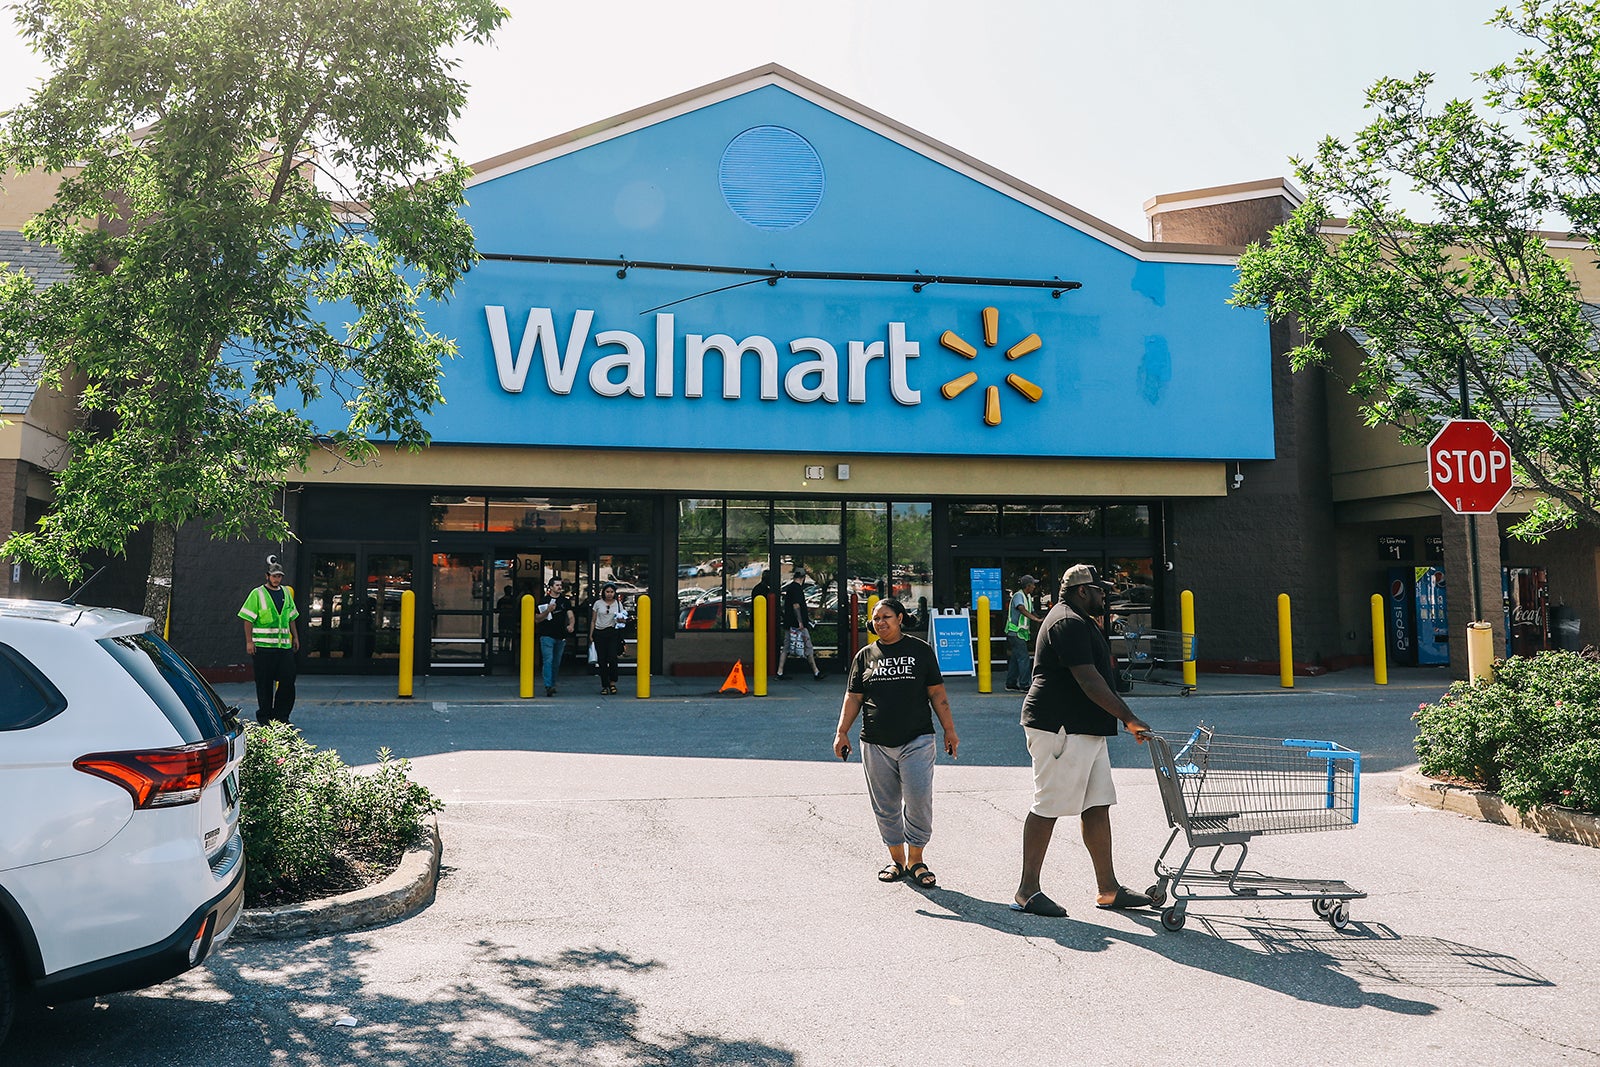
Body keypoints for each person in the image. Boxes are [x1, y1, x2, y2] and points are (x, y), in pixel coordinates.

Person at [1012, 563, 1155, 917]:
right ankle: (1027, 891)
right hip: (1060, 728)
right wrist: (1129, 718)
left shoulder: (1079, 618)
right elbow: (1088, 680)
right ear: (1081, 591)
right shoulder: (1067, 622)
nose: (1104, 595)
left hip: (1085, 729)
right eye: (1099, 590)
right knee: (1048, 805)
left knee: (1096, 805)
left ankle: (1108, 889)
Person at [832, 598, 959, 888]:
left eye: (886, 617)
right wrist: (842, 732)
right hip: (875, 741)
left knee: (918, 800)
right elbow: (853, 697)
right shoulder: (865, 656)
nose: (880, 623)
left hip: (917, 738)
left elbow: (937, 694)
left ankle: (916, 858)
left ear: (900, 618)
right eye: (876, 619)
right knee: (885, 805)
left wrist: (949, 730)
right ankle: (897, 860)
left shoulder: (920, 651)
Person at [238, 560, 300, 725]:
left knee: (288, 681)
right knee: (264, 684)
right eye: (274, 576)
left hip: (284, 647)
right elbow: (247, 619)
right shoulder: (257, 594)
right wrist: (249, 642)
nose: (277, 579)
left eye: (279, 576)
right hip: (263, 648)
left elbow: (292, 618)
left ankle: (282, 717)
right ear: (267, 576)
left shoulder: (286, 593)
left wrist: (296, 637)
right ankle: (265, 717)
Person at [777, 566, 822, 680]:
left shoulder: (790, 588)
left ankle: (780, 672)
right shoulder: (797, 589)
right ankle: (816, 672)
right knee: (808, 646)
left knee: (786, 647)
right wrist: (800, 622)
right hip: (798, 625)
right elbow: (796, 606)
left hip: (789, 624)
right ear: (803, 577)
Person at [535, 577, 574, 696]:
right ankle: (548, 685)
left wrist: (571, 624)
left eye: (560, 585)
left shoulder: (565, 601)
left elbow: (571, 615)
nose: (559, 587)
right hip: (546, 635)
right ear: (551, 587)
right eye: (556, 585)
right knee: (548, 660)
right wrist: (548, 611)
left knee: (556, 662)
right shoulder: (544, 601)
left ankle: (552, 684)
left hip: (560, 635)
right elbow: (537, 619)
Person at [1005, 574, 1044, 691]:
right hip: (1015, 631)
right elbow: (1021, 609)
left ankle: (1010, 683)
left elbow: (1032, 611)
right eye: (1033, 585)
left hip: (1020, 632)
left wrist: (1041, 620)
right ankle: (1024, 684)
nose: (1034, 587)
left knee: (1016, 658)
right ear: (1028, 585)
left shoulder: (1027, 597)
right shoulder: (1018, 596)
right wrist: (1036, 619)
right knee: (1024, 658)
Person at [589, 582, 627, 695]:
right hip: (599, 632)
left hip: (612, 632)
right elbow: (593, 620)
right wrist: (591, 634)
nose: (609, 594)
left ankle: (612, 682)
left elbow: (623, 618)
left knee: (612, 658)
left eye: (611, 592)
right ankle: (604, 685)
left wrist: (622, 620)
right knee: (602, 660)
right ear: (603, 592)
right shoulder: (597, 603)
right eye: (607, 592)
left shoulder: (618, 604)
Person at [496, 584, 519, 656]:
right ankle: (507, 647)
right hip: (510, 620)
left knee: (501, 634)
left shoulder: (501, 600)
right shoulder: (513, 601)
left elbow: (497, 610)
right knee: (509, 634)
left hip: (502, 619)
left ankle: (500, 647)